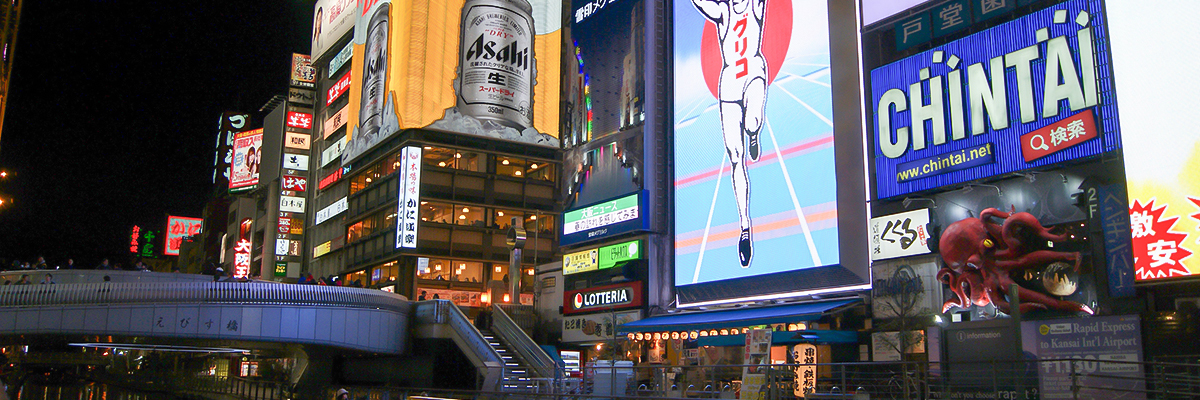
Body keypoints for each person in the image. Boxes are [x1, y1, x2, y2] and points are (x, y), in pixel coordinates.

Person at [692, 0, 768, 268]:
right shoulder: (723, 12)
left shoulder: (755, 6)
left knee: (753, 121)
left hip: (754, 75)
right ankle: (745, 227)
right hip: (729, 86)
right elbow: (703, 5)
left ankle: (754, 132)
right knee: (736, 157)